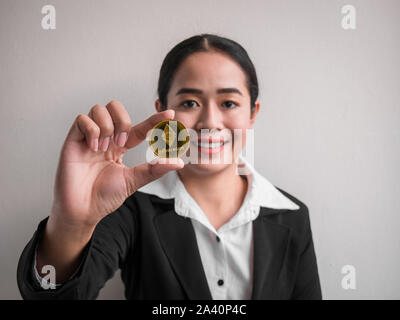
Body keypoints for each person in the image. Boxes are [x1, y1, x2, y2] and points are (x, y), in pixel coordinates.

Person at [17, 33, 322, 300]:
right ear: (162, 111)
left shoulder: (293, 216)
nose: (209, 122)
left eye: (228, 103)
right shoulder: (128, 207)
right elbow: (57, 295)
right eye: (190, 103)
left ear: (252, 112)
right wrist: (71, 223)